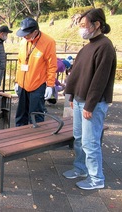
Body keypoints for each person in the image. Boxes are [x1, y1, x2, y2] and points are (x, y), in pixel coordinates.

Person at [62, 8, 116, 190]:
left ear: (97, 24)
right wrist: (72, 95)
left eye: (84, 25)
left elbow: (100, 80)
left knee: (90, 142)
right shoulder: (88, 46)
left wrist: (90, 105)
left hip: (92, 103)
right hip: (79, 100)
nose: (81, 29)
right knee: (78, 137)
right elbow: (77, 73)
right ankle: (80, 168)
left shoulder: (105, 47)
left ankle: (96, 178)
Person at [14, 17, 57, 126]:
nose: (24, 36)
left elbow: (51, 65)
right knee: (21, 114)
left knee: (35, 115)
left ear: (35, 32)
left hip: (38, 84)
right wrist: (17, 81)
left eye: (27, 34)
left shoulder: (48, 42)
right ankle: (19, 137)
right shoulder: (24, 41)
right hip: (23, 84)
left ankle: (37, 139)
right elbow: (20, 62)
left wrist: (50, 85)